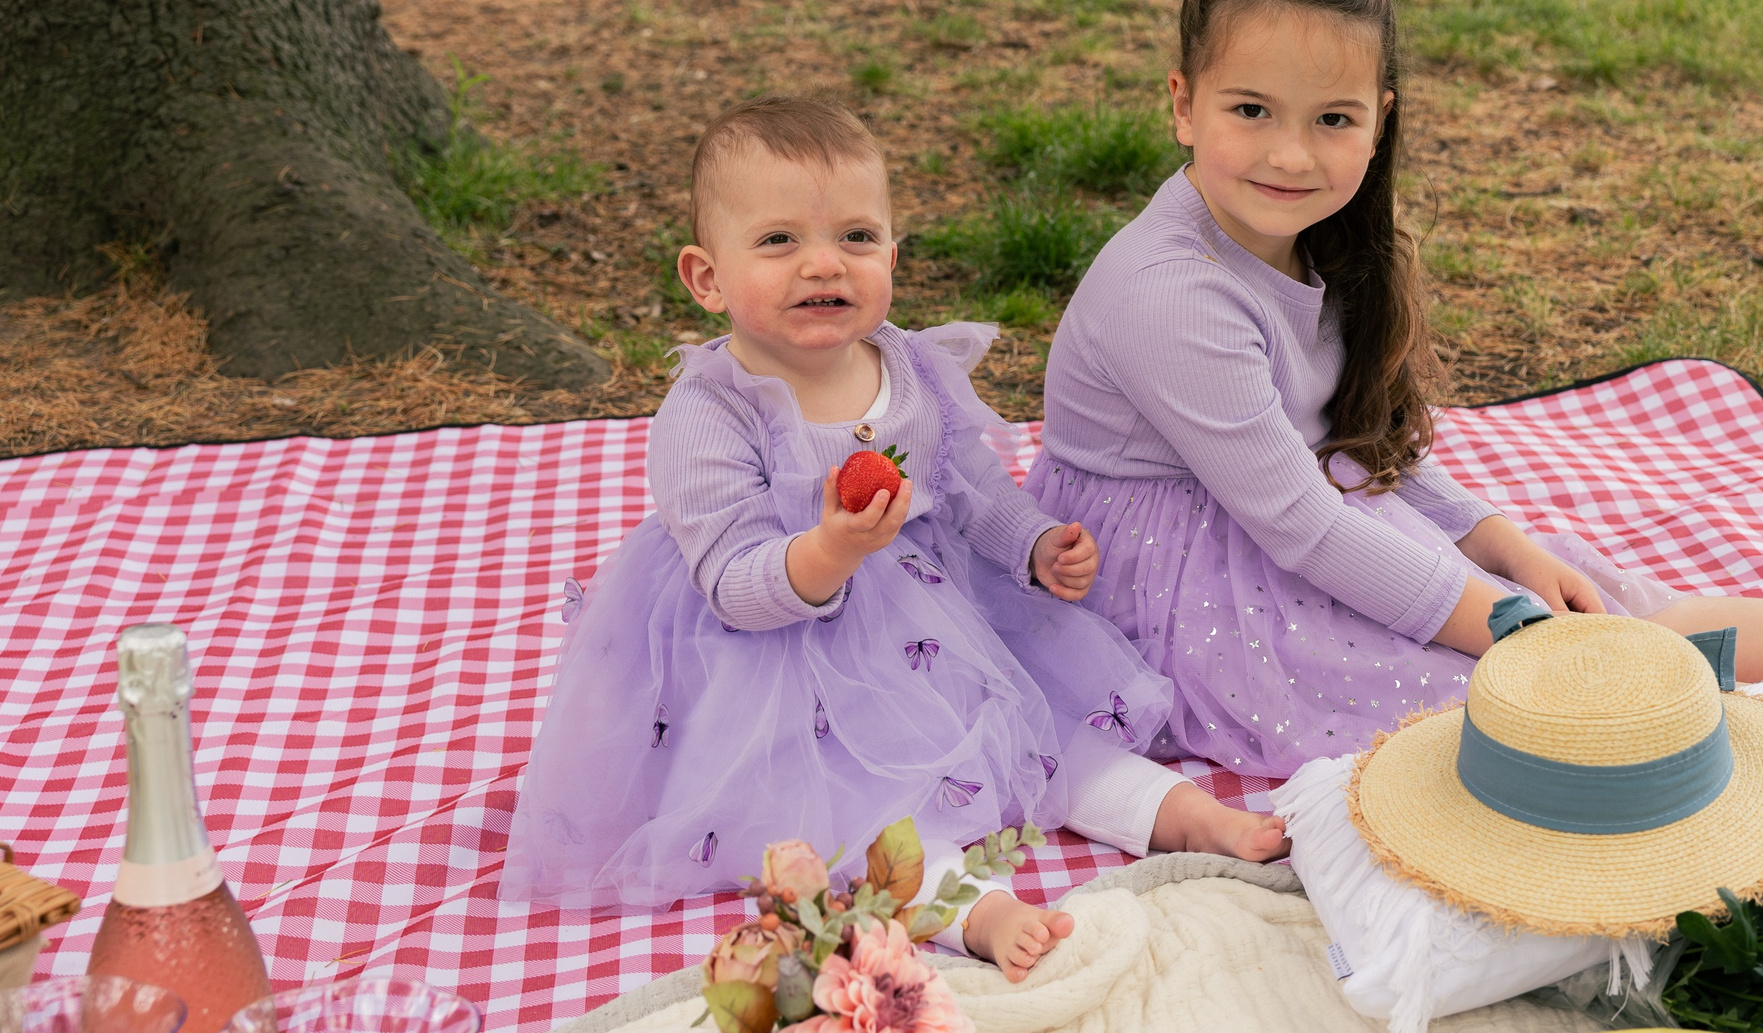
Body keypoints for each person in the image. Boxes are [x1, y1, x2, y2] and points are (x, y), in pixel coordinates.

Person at [1027, 0, 1763, 780]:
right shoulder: (1172, 294)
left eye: (1332, 120)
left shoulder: (1310, 239)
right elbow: (1300, 521)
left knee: (1608, 611)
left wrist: (1496, 543)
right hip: (1190, 600)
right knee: (1555, 701)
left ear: (1380, 120)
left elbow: (1339, 440)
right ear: (1183, 106)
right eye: (1251, 110)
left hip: (1286, 523)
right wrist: (1496, 619)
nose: (1289, 152)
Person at [499, 97, 1285, 978]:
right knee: (853, 805)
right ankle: (972, 909)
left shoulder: (904, 366)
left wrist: (1031, 544)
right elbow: (732, 580)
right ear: (707, 277)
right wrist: (831, 550)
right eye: (779, 241)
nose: (823, 262)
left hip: (930, 615)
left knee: (1039, 720)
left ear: (892, 258)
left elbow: (967, 483)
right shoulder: (710, 413)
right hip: (778, 657)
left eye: (857, 237)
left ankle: (1178, 814)